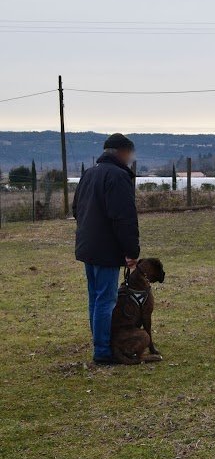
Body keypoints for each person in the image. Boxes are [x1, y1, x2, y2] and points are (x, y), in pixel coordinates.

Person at [72, 133, 140, 365]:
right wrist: (131, 251)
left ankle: (100, 343)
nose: (130, 158)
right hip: (106, 250)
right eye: (129, 154)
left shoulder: (89, 174)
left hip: (88, 247)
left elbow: (76, 209)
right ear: (122, 152)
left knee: (95, 298)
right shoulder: (119, 177)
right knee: (106, 300)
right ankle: (103, 351)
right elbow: (124, 218)